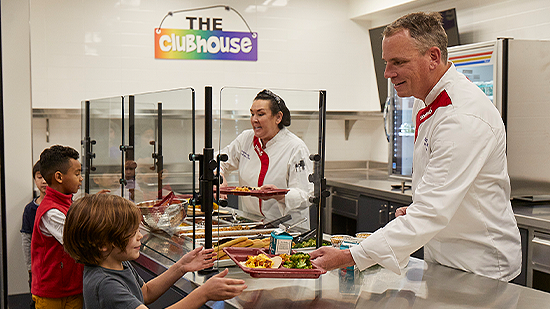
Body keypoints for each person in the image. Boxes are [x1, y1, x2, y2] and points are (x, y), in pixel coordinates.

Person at [310, 12, 521, 281]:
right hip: (445, 258)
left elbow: (431, 212)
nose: (387, 73)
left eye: (398, 62)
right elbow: (441, 193)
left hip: (481, 267)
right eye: (386, 62)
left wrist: (351, 256)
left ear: (433, 57)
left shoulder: (461, 118)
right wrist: (419, 206)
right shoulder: (424, 100)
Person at [63, 193, 247, 309]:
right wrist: (203, 293)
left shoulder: (116, 262)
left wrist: (180, 267)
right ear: (103, 243)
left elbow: (145, 292)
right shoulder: (105, 284)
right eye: (131, 233)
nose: (140, 236)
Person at [219, 89, 314, 229]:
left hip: (287, 229)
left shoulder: (295, 147)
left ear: (278, 117)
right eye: (252, 114)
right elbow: (218, 160)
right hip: (251, 224)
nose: (254, 119)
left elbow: (306, 195)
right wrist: (219, 177)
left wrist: (278, 195)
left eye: (261, 114)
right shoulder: (246, 139)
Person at [31, 145, 84, 308]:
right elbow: (77, 241)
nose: (81, 178)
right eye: (77, 174)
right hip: (52, 291)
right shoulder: (50, 211)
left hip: (73, 287)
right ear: (59, 177)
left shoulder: (68, 204)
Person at [20, 161, 47, 309]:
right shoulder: (30, 209)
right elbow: (26, 238)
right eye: (39, 177)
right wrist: (29, 265)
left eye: (46, 177)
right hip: (37, 266)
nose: (43, 181)